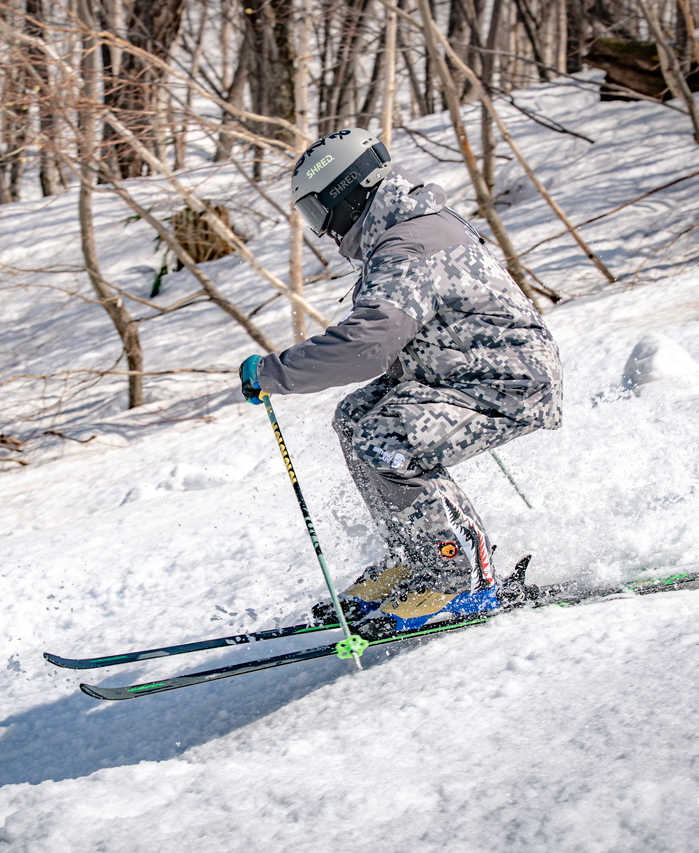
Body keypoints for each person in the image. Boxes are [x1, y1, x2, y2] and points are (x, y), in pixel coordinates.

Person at [238, 128, 562, 640]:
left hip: (504, 380)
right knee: (355, 420)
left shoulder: (407, 242)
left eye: (318, 213)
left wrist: (278, 371)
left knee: (385, 439)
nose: (321, 231)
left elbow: (369, 343)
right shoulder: (401, 231)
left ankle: (463, 579)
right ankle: (420, 556)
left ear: (346, 193)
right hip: (459, 371)